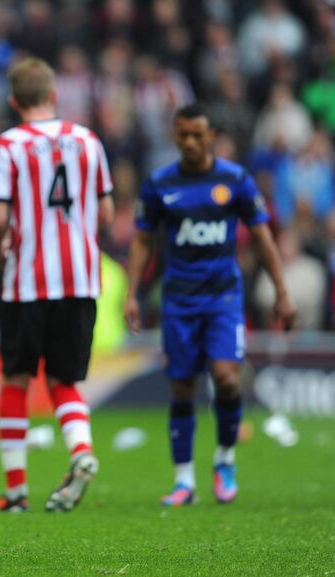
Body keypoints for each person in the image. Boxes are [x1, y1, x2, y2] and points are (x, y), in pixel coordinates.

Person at [124, 103, 295, 506]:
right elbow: (143, 239)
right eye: (182, 135)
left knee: (228, 378)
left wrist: (282, 292)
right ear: (174, 136)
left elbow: (262, 236)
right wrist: (132, 292)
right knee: (182, 386)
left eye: (197, 135)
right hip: (179, 300)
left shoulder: (234, 179)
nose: (189, 142)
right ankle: (184, 480)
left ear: (210, 137)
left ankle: (225, 459)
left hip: (223, 297)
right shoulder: (160, 183)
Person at [0, 58, 114, 513]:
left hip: (28, 282)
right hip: (79, 280)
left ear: (13, 101)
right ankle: (82, 452)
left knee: (16, 380)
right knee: (65, 379)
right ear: (54, 95)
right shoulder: (88, 140)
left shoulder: (9, 145)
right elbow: (108, 212)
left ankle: (16, 491)